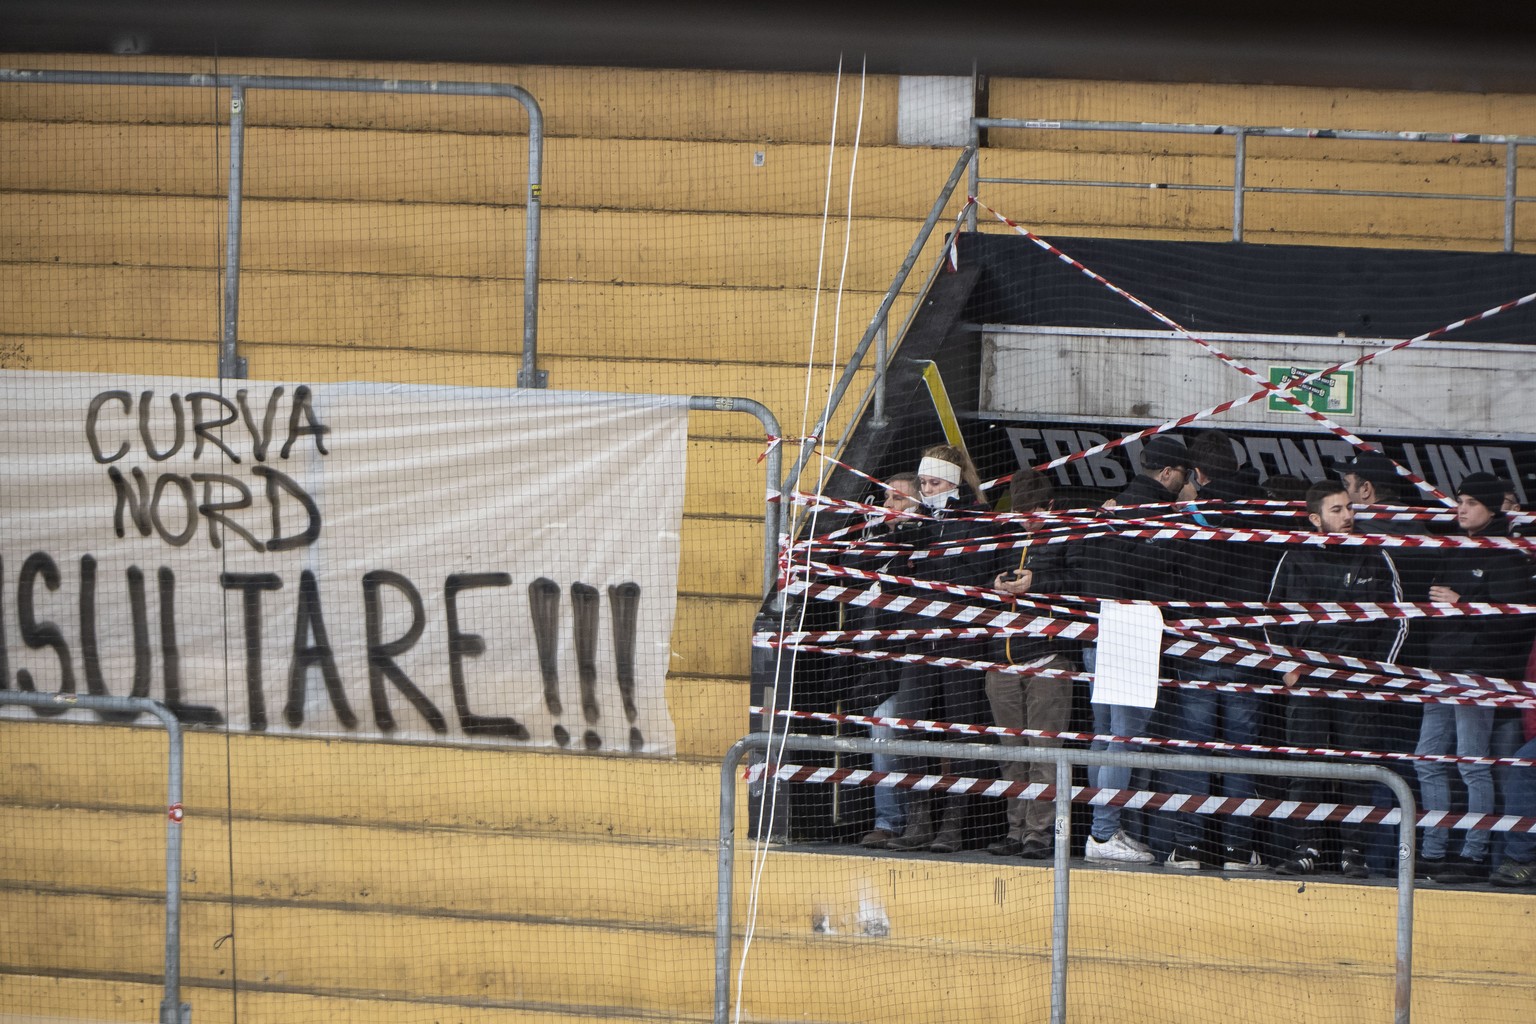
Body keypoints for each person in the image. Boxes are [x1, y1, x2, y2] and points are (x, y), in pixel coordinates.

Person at [1265, 480, 1408, 878]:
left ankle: (1354, 854)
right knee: (1305, 768)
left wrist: (1377, 671)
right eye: (1337, 510)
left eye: (1349, 508)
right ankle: (1305, 848)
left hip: (1356, 682)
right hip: (1308, 682)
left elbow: (1399, 620)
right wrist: (1287, 668)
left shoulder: (1374, 553)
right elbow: (1269, 618)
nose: (1348, 516)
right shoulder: (1294, 557)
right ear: (1315, 519)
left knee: (1358, 769)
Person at [1413, 472, 1536, 883]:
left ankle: (1473, 853)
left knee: (1471, 764)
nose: (1460, 509)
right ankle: (1433, 851)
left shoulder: (1508, 554)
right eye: (1458, 501)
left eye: (1468, 502)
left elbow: (1516, 622)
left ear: (1490, 507)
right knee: (1427, 760)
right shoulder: (1453, 548)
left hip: (1479, 674)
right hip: (1441, 670)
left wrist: (1463, 603)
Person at [1160, 429, 1272, 872]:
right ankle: (1238, 851)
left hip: (1200, 645)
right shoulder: (1265, 510)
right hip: (1248, 646)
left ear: (1199, 473)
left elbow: (1176, 577)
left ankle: (1187, 846)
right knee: (1241, 750)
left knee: (1194, 749)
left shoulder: (1189, 516)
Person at [1078, 433, 1190, 865]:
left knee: (1104, 737)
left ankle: (1102, 831)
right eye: (1182, 474)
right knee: (1121, 740)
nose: (1186, 482)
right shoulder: (1161, 512)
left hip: (1098, 627)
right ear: (1166, 473)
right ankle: (1104, 835)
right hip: (1135, 630)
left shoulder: (1110, 507)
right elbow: (1154, 565)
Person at [886, 444, 994, 854]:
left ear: (951, 482)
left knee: (961, 730)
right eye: (923, 483)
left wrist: (930, 551)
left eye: (931, 483)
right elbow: (897, 578)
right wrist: (898, 534)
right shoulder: (919, 519)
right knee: (908, 722)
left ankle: (953, 825)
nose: (925, 489)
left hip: (962, 639)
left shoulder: (979, 518)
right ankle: (918, 820)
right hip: (920, 636)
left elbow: (975, 575)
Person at [984, 467, 1079, 859]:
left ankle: (1040, 833)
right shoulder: (1001, 536)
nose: (1025, 519)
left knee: (1044, 753)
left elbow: (1081, 583)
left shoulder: (1070, 535)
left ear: (1051, 506)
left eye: (1033, 512)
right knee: (1012, 754)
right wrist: (993, 584)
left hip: (1049, 659)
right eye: (1020, 512)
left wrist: (1037, 581)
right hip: (1001, 661)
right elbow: (967, 577)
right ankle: (1015, 828)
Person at [845, 473, 925, 850]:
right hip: (871, 666)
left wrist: (904, 532)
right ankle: (888, 820)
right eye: (886, 499)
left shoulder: (922, 540)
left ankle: (891, 822)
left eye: (897, 499)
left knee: (886, 724)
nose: (888, 506)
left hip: (915, 667)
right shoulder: (875, 536)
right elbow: (846, 558)